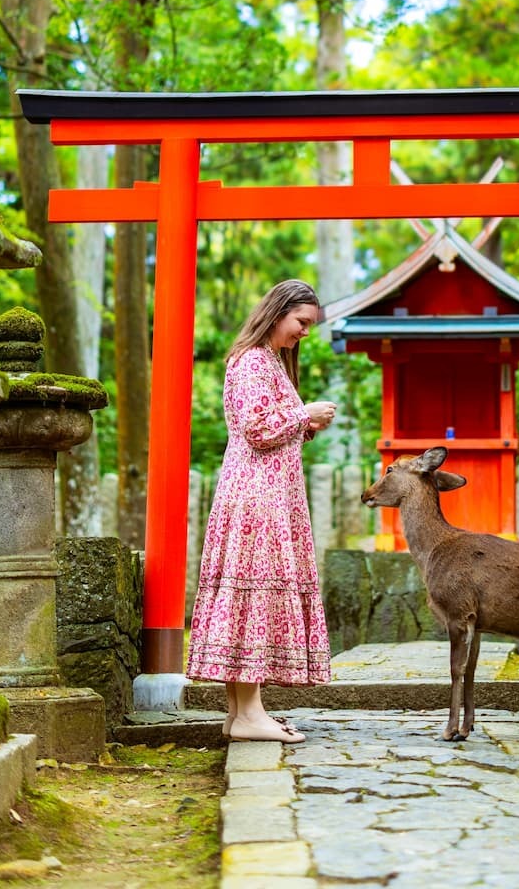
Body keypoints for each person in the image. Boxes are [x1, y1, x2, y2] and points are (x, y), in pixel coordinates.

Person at [186, 279, 336, 743]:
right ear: (278, 312)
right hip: (259, 496)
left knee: (248, 593)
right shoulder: (253, 361)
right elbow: (255, 427)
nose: (304, 333)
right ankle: (249, 713)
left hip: (260, 491)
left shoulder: (265, 361)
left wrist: (303, 422)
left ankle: (240, 712)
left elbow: (267, 426)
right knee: (255, 594)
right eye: (301, 322)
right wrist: (303, 412)